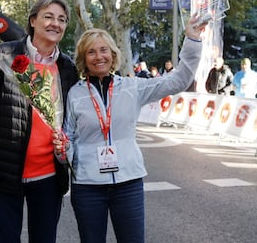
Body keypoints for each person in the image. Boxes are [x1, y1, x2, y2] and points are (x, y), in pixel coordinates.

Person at [53, 15, 206, 243]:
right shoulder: (75, 93)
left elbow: (179, 81)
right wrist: (63, 150)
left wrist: (192, 41)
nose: (98, 57)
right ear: (84, 58)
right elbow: (69, 137)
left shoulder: (132, 87)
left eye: (103, 50)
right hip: (87, 186)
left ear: (113, 54)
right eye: (91, 52)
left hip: (128, 183)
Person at [0, 0, 78, 243]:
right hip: (4, 175)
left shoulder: (68, 68)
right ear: (33, 21)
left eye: (62, 19)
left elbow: (74, 121)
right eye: (48, 16)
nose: (55, 24)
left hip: (49, 177)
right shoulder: (1, 57)